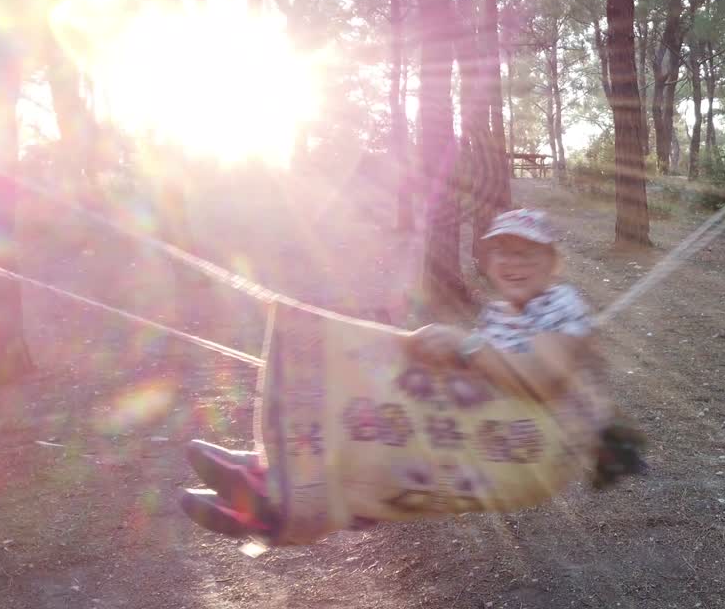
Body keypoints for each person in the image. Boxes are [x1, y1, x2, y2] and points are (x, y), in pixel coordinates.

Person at [180, 209, 645, 540]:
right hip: (493, 432)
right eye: (501, 252)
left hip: (533, 444)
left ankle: (284, 499)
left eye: (527, 253)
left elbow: (543, 378)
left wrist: (464, 347)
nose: (512, 263)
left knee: (396, 408)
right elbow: (482, 374)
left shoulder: (560, 304)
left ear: (552, 263)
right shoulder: (500, 312)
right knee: (385, 379)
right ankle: (272, 476)